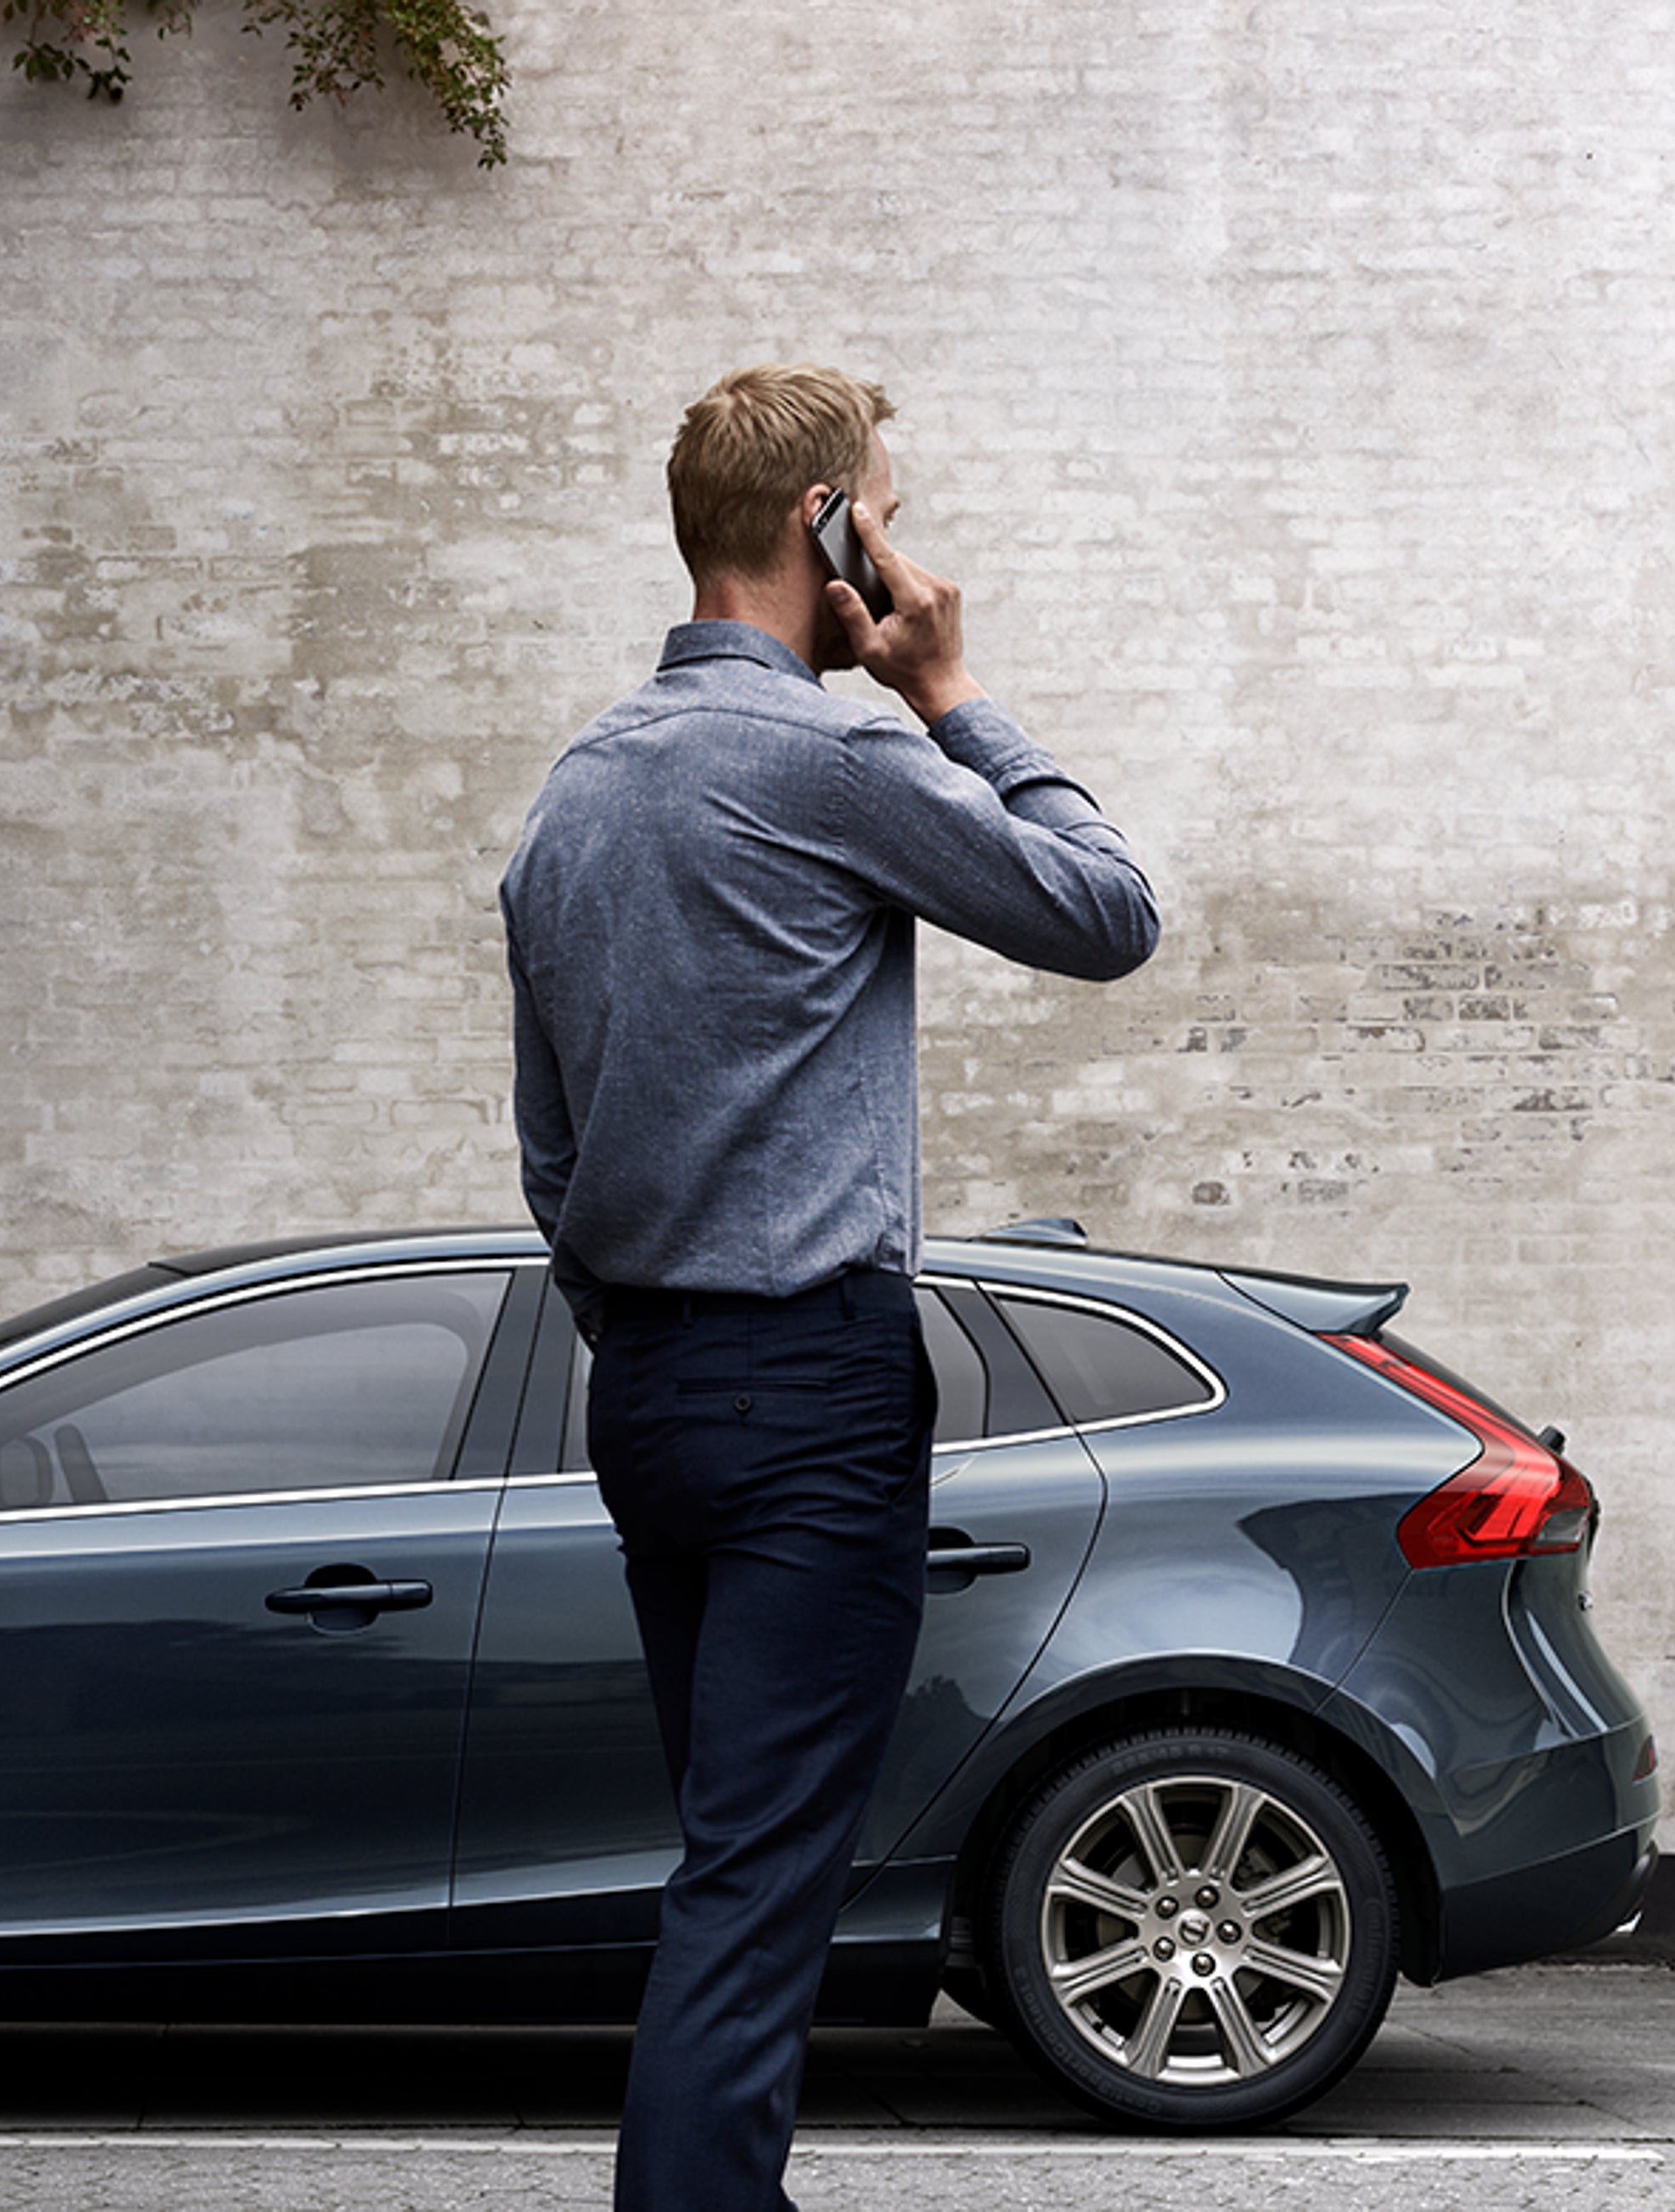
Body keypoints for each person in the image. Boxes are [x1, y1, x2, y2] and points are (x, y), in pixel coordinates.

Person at [497, 364, 1160, 2212]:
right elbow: (1109, 911)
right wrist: (948, 688)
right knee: (760, 1877)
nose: (908, 539)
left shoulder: (575, 795)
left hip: (649, 1393)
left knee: (735, 1853)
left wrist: (648, 1321)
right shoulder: (834, 755)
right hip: (806, 1393)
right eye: (890, 502)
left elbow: (551, 1151)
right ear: (829, 532)